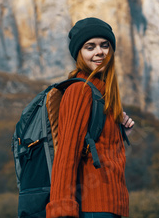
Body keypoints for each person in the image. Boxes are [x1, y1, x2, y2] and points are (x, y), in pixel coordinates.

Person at [46, 17, 134, 218]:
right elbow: (66, 154)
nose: (99, 52)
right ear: (79, 54)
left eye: (104, 45)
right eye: (90, 47)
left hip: (112, 208)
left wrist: (121, 133)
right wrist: (62, 210)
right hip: (91, 209)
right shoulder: (80, 90)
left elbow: (106, 157)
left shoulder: (104, 95)